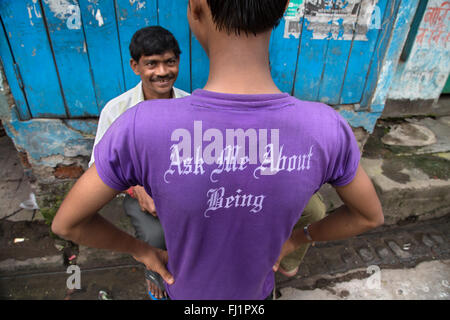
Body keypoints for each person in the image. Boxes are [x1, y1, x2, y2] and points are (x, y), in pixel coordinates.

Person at [52, 0, 384, 300]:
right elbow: (369, 216)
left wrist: (139, 250)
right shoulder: (326, 127)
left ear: (195, 8)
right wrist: (298, 239)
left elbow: (68, 225)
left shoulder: (140, 126)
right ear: (282, 8)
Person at [88, 26, 189, 299]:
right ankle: (155, 273)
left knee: (202, 232)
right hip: (141, 191)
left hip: (183, 190)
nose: (162, 72)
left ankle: (194, 279)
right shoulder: (117, 110)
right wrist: (136, 189)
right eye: (151, 64)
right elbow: (95, 167)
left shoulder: (190, 106)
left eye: (170, 62)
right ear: (135, 66)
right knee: (156, 236)